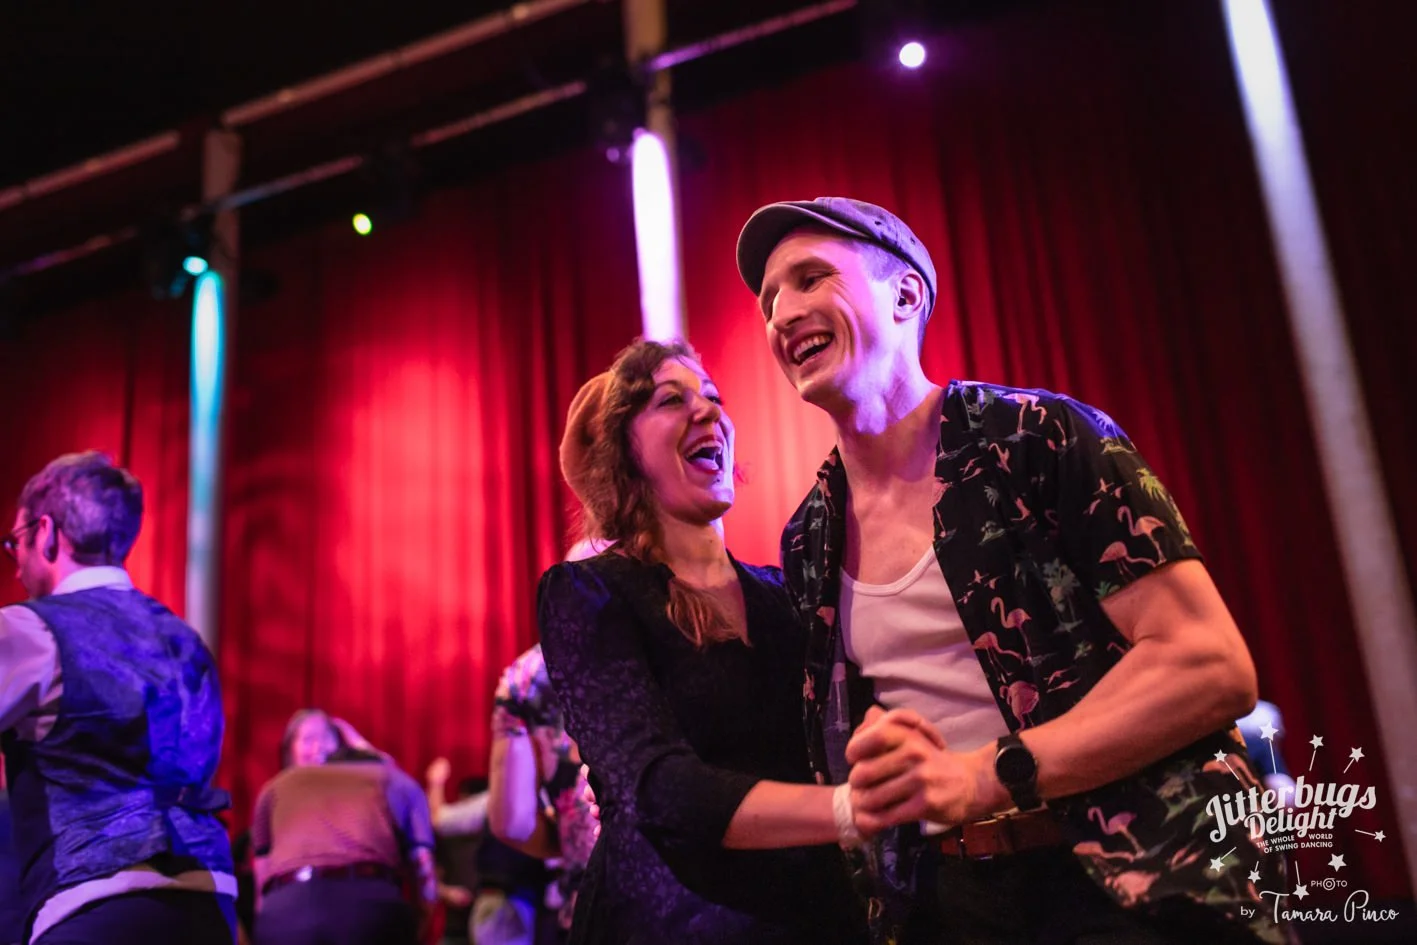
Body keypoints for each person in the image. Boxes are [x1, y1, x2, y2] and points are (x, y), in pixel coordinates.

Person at [734, 197, 1287, 945]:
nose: (782, 313)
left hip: (1131, 882)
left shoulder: (1038, 437)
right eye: (768, 300)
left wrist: (985, 775)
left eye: (809, 278)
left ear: (905, 295)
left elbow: (1209, 665)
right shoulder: (809, 537)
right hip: (952, 901)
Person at [537, 339, 867, 945]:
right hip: (670, 922)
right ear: (625, 453)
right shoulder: (589, 593)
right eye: (671, 399)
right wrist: (849, 811)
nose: (708, 409)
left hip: (812, 916)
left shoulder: (785, 592)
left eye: (713, 397)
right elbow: (661, 791)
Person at [0, 451, 236, 944]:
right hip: (209, 905)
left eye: (15, 542)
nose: (16, 565)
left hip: (94, 906)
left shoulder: (29, 630)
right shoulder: (188, 643)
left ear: (47, 533)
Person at [249, 744, 437, 945]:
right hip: (368, 908)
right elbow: (423, 868)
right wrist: (420, 927)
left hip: (284, 910)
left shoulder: (278, 784)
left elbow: (261, 874)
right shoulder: (394, 779)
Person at [488, 639, 598, 942]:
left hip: (591, 907)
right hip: (691, 903)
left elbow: (513, 823)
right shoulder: (686, 631)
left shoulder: (527, 675)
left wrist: (573, 835)